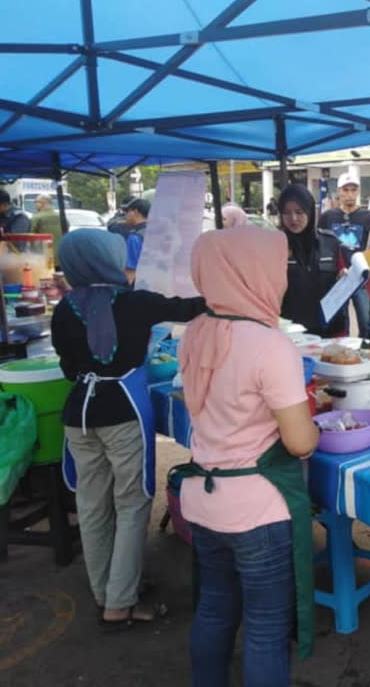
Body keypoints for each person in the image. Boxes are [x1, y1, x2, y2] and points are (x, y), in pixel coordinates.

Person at [172, 227, 319, 686]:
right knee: (264, 628)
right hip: (256, 509)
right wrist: (312, 420)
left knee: (215, 606)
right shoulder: (269, 344)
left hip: (203, 500)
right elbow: (300, 443)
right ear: (255, 273)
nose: (283, 278)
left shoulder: (194, 331)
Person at [50, 229, 205, 630]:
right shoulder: (134, 302)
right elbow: (191, 308)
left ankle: (106, 589)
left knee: (93, 505)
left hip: (77, 417)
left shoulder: (64, 308)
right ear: (106, 261)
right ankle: (120, 603)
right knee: (132, 503)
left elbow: (69, 367)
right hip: (119, 413)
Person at [278, 184, 348, 337]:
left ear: (310, 212)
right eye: (287, 213)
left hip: (331, 330)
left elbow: (342, 277)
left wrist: (345, 279)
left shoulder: (330, 242)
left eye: (299, 212)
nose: (293, 219)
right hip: (292, 334)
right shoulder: (275, 245)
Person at [319, 173, 370, 337]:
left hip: (361, 278)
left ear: (358, 192)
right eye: (346, 190)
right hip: (338, 277)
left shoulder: (369, 217)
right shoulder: (328, 217)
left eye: (353, 190)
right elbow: (322, 244)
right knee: (340, 324)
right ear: (339, 191)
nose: (350, 194)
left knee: (366, 322)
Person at [28, 194, 65, 261]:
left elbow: (30, 237)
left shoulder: (36, 218)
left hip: (43, 257)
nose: (35, 204)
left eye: (36, 202)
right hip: (60, 256)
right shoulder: (61, 217)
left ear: (42, 203)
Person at [123, 198, 150, 285]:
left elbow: (130, 271)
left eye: (127, 212)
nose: (126, 216)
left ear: (135, 212)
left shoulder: (135, 237)